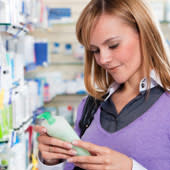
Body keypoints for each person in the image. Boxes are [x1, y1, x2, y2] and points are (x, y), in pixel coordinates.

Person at [34, 0, 170, 169]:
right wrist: (50, 161)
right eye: (95, 50)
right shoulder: (90, 105)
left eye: (113, 45)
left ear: (145, 34)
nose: (103, 59)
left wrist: (130, 167)